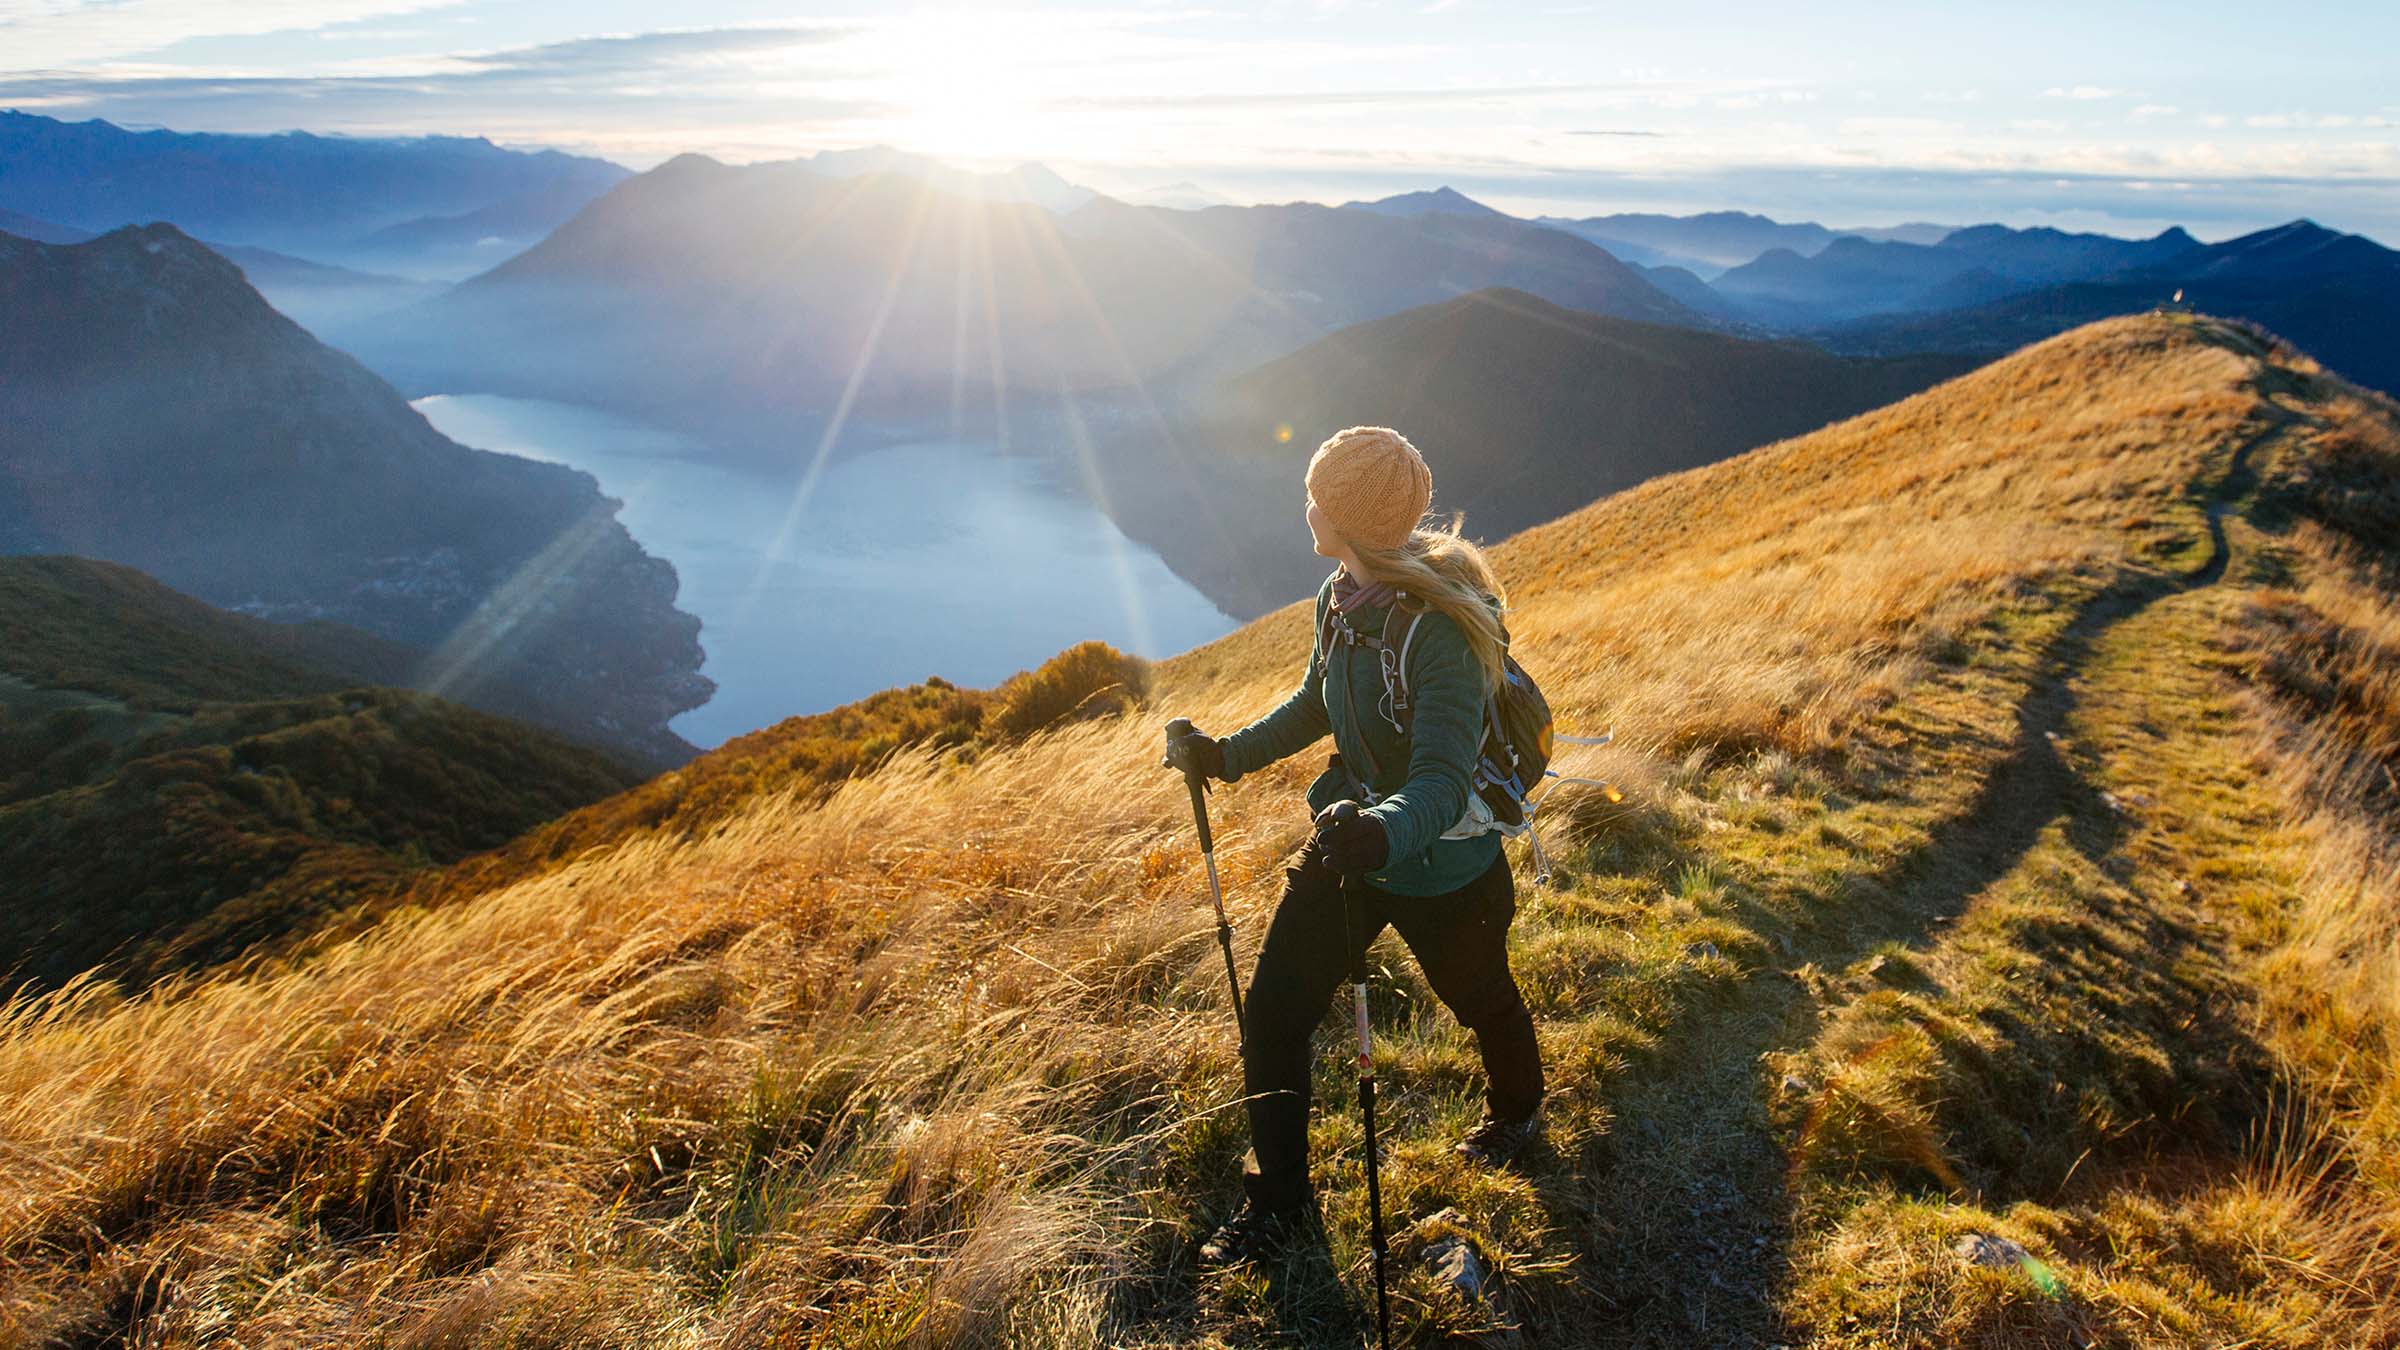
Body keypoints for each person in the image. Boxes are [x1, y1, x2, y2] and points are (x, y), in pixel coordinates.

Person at [1163, 425, 1546, 1268]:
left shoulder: (1436, 633)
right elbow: (1314, 705)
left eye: (1320, 499)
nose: (1307, 508)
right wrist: (1224, 756)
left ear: (1352, 519)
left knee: (1482, 1001)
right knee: (1272, 1013)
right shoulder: (1338, 599)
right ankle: (1281, 1204)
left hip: (1442, 867)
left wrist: (1383, 831)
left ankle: (1518, 1113)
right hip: (1353, 848)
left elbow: (1444, 782)